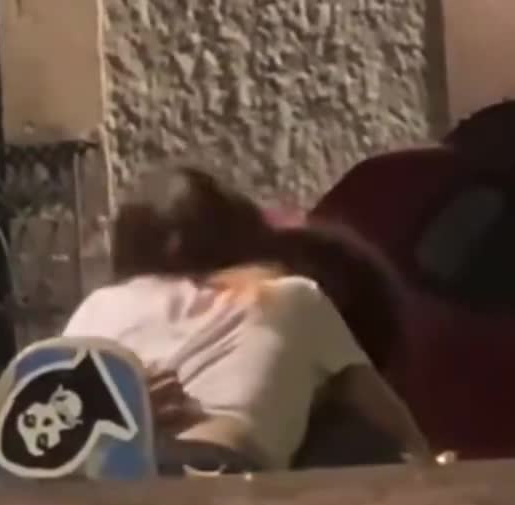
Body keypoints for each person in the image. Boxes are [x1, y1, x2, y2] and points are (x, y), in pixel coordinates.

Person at [63, 165, 433, 475]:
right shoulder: (287, 296)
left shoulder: (101, 304)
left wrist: (122, 409)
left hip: (102, 475)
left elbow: (49, 404)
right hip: (215, 469)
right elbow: (395, 426)